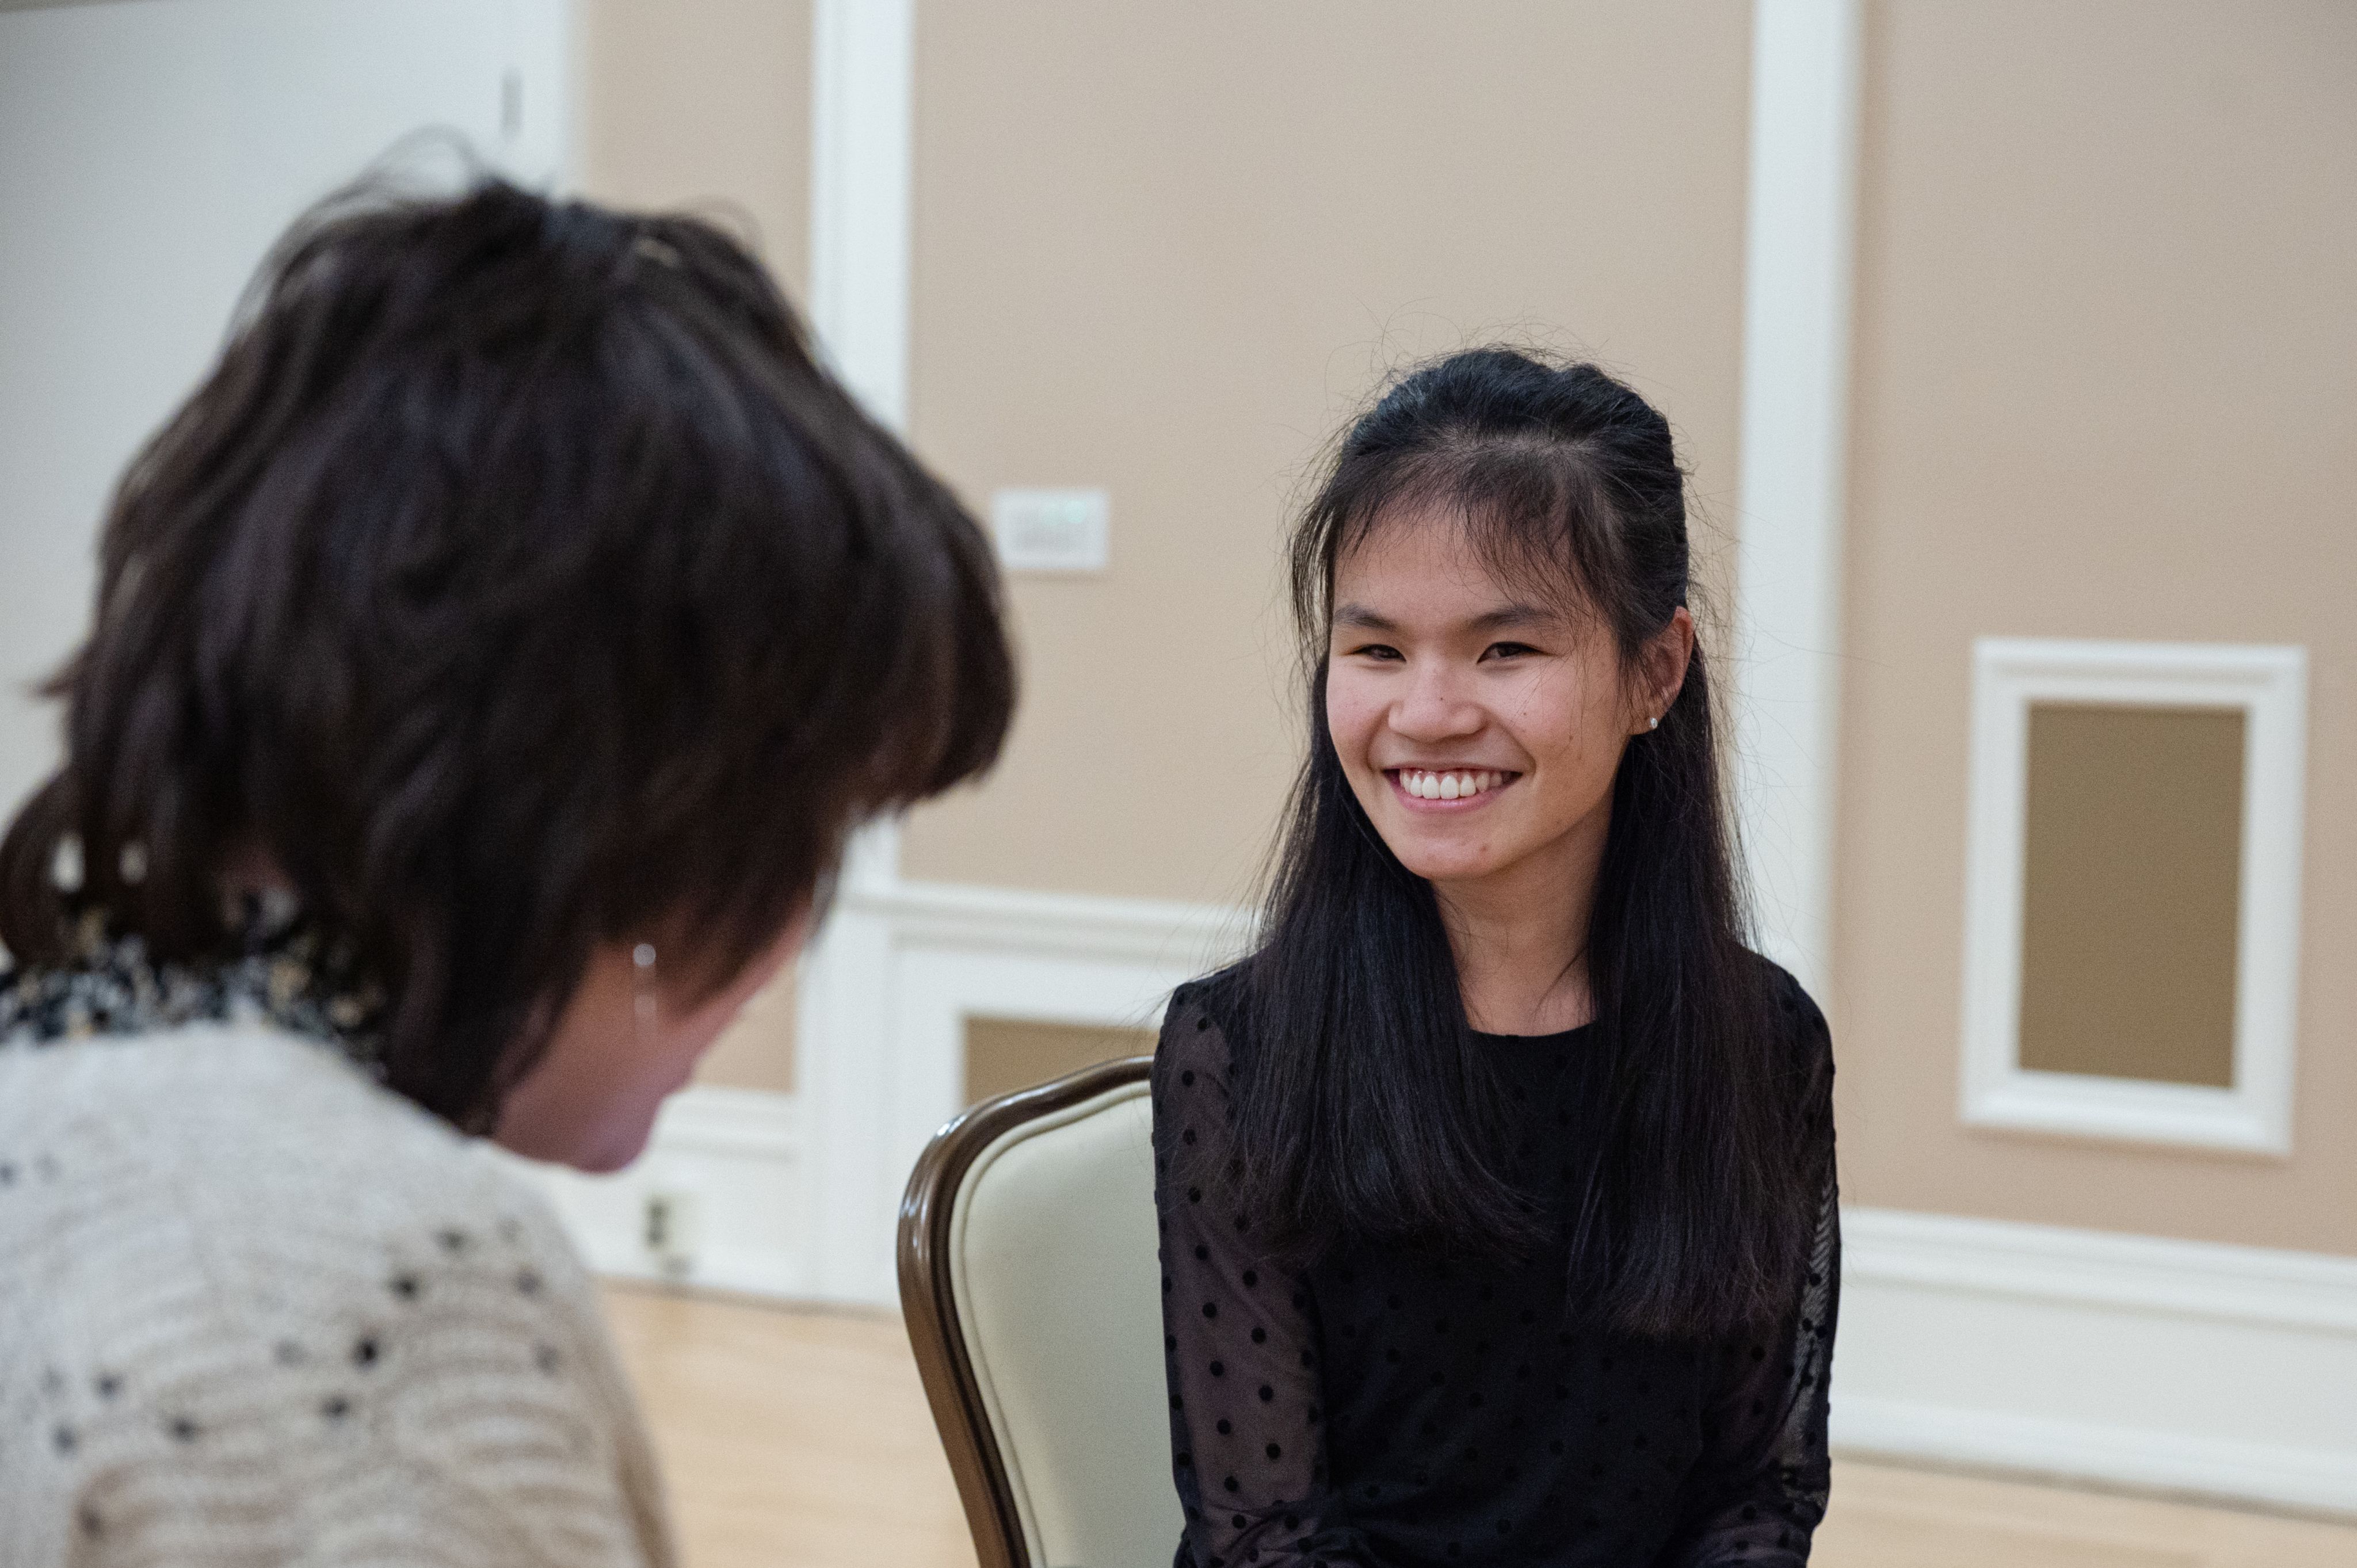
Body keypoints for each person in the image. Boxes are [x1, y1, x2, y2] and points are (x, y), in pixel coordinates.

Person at [0, 177, 1013, 1564]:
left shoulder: (57, 1055)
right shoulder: (379, 1276)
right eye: (809, 821)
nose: (790, 934)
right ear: (618, 792)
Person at [1153, 349, 1837, 1567]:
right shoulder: (1238, 1053)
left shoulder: (1758, 1040)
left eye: (1504, 650)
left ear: (1656, 672)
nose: (1424, 712)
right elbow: (1267, 1536)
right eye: (1374, 651)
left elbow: (1753, 1493)